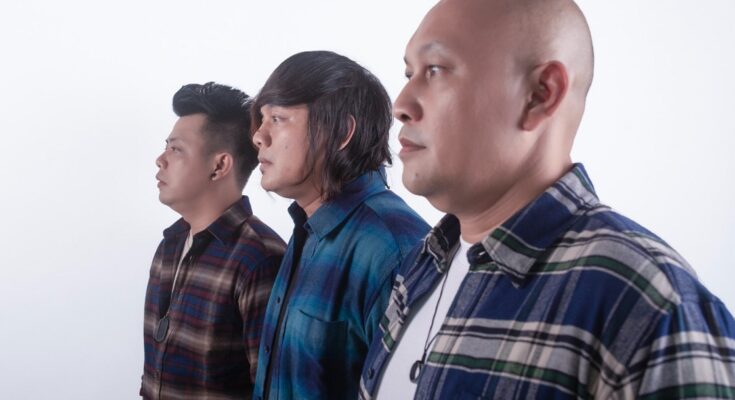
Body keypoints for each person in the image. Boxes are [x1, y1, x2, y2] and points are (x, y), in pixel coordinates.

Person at [360, 0, 735, 398]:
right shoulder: (422, 263)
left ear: (540, 95)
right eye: (409, 73)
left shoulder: (650, 302)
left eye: (435, 70)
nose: (400, 105)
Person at [250, 51, 430, 400]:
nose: (259, 136)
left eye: (278, 118)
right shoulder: (308, 227)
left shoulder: (395, 249)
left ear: (341, 132)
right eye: (262, 119)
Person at [141, 82, 286, 399]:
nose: (160, 159)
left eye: (176, 149)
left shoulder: (260, 259)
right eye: (166, 146)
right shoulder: (169, 246)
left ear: (219, 166)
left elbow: (271, 390)